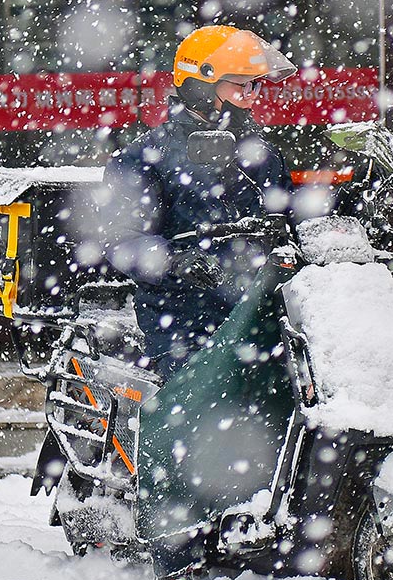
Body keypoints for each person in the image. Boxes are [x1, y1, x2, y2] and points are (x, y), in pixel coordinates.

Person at [100, 25, 297, 379]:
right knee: (198, 420)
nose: (252, 96)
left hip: (260, 317)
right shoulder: (146, 157)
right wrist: (175, 261)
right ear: (201, 84)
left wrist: (349, 210)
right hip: (184, 323)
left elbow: (289, 218)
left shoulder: (262, 153)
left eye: (256, 85)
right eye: (242, 85)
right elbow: (120, 238)